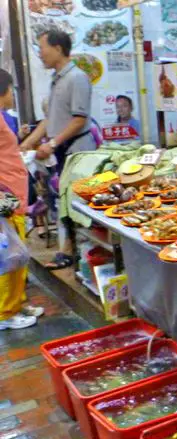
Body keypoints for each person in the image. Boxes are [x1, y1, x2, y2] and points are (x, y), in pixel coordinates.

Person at [20, 29, 96, 270]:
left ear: (58, 48)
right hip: (62, 152)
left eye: (42, 48)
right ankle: (69, 252)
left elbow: (79, 120)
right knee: (62, 202)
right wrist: (28, 142)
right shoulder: (58, 79)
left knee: (76, 203)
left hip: (77, 151)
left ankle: (78, 253)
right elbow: (49, 119)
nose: (40, 54)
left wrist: (51, 143)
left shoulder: (77, 78)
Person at [0, 68, 44, 330]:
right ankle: (5, 313)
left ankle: (17, 302)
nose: (13, 95)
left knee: (19, 250)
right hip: (5, 195)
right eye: (11, 89)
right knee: (8, 253)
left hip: (14, 193)